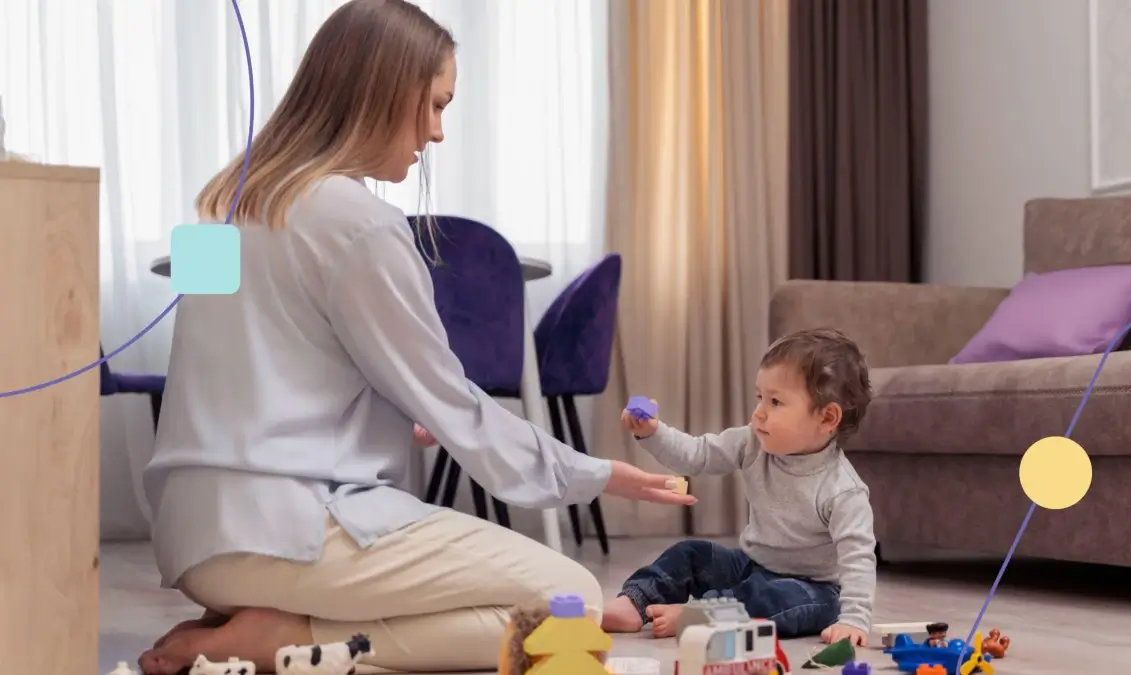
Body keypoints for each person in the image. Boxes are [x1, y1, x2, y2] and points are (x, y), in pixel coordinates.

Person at [135, 2, 696, 673]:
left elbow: (238, 369)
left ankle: (265, 615)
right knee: (570, 598)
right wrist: (598, 473)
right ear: (380, 92)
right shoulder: (363, 224)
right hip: (293, 531)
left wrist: (390, 403)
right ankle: (288, 635)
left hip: (194, 539)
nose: (436, 133)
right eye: (433, 105)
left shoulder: (220, 200)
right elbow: (456, 405)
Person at [601, 328, 878, 645]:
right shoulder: (752, 442)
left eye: (775, 402)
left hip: (812, 589)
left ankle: (703, 615)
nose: (759, 412)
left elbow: (858, 559)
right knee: (691, 553)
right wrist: (653, 433)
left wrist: (854, 621)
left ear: (827, 418)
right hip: (752, 565)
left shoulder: (843, 490)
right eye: (760, 397)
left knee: (773, 598)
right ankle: (634, 603)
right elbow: (697, 454)